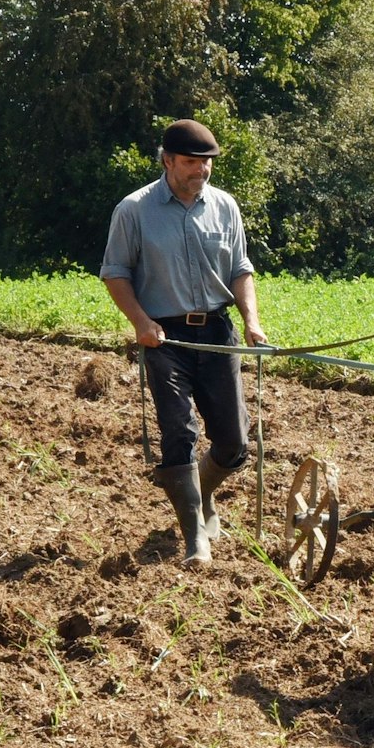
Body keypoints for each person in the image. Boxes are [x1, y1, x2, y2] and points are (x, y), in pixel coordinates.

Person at [100, 119, 267, 568]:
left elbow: (240, 269)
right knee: (179, 433)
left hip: (216, 331)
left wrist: (251, 320)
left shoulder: (225, 207)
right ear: (167, 161)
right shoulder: (134, 210)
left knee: (234, 443)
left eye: (206, 163)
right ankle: (196, 536)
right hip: (164, 337)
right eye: (191, 162)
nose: (201, 171)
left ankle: (202, 492)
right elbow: (115, 272)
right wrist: (141, 321)